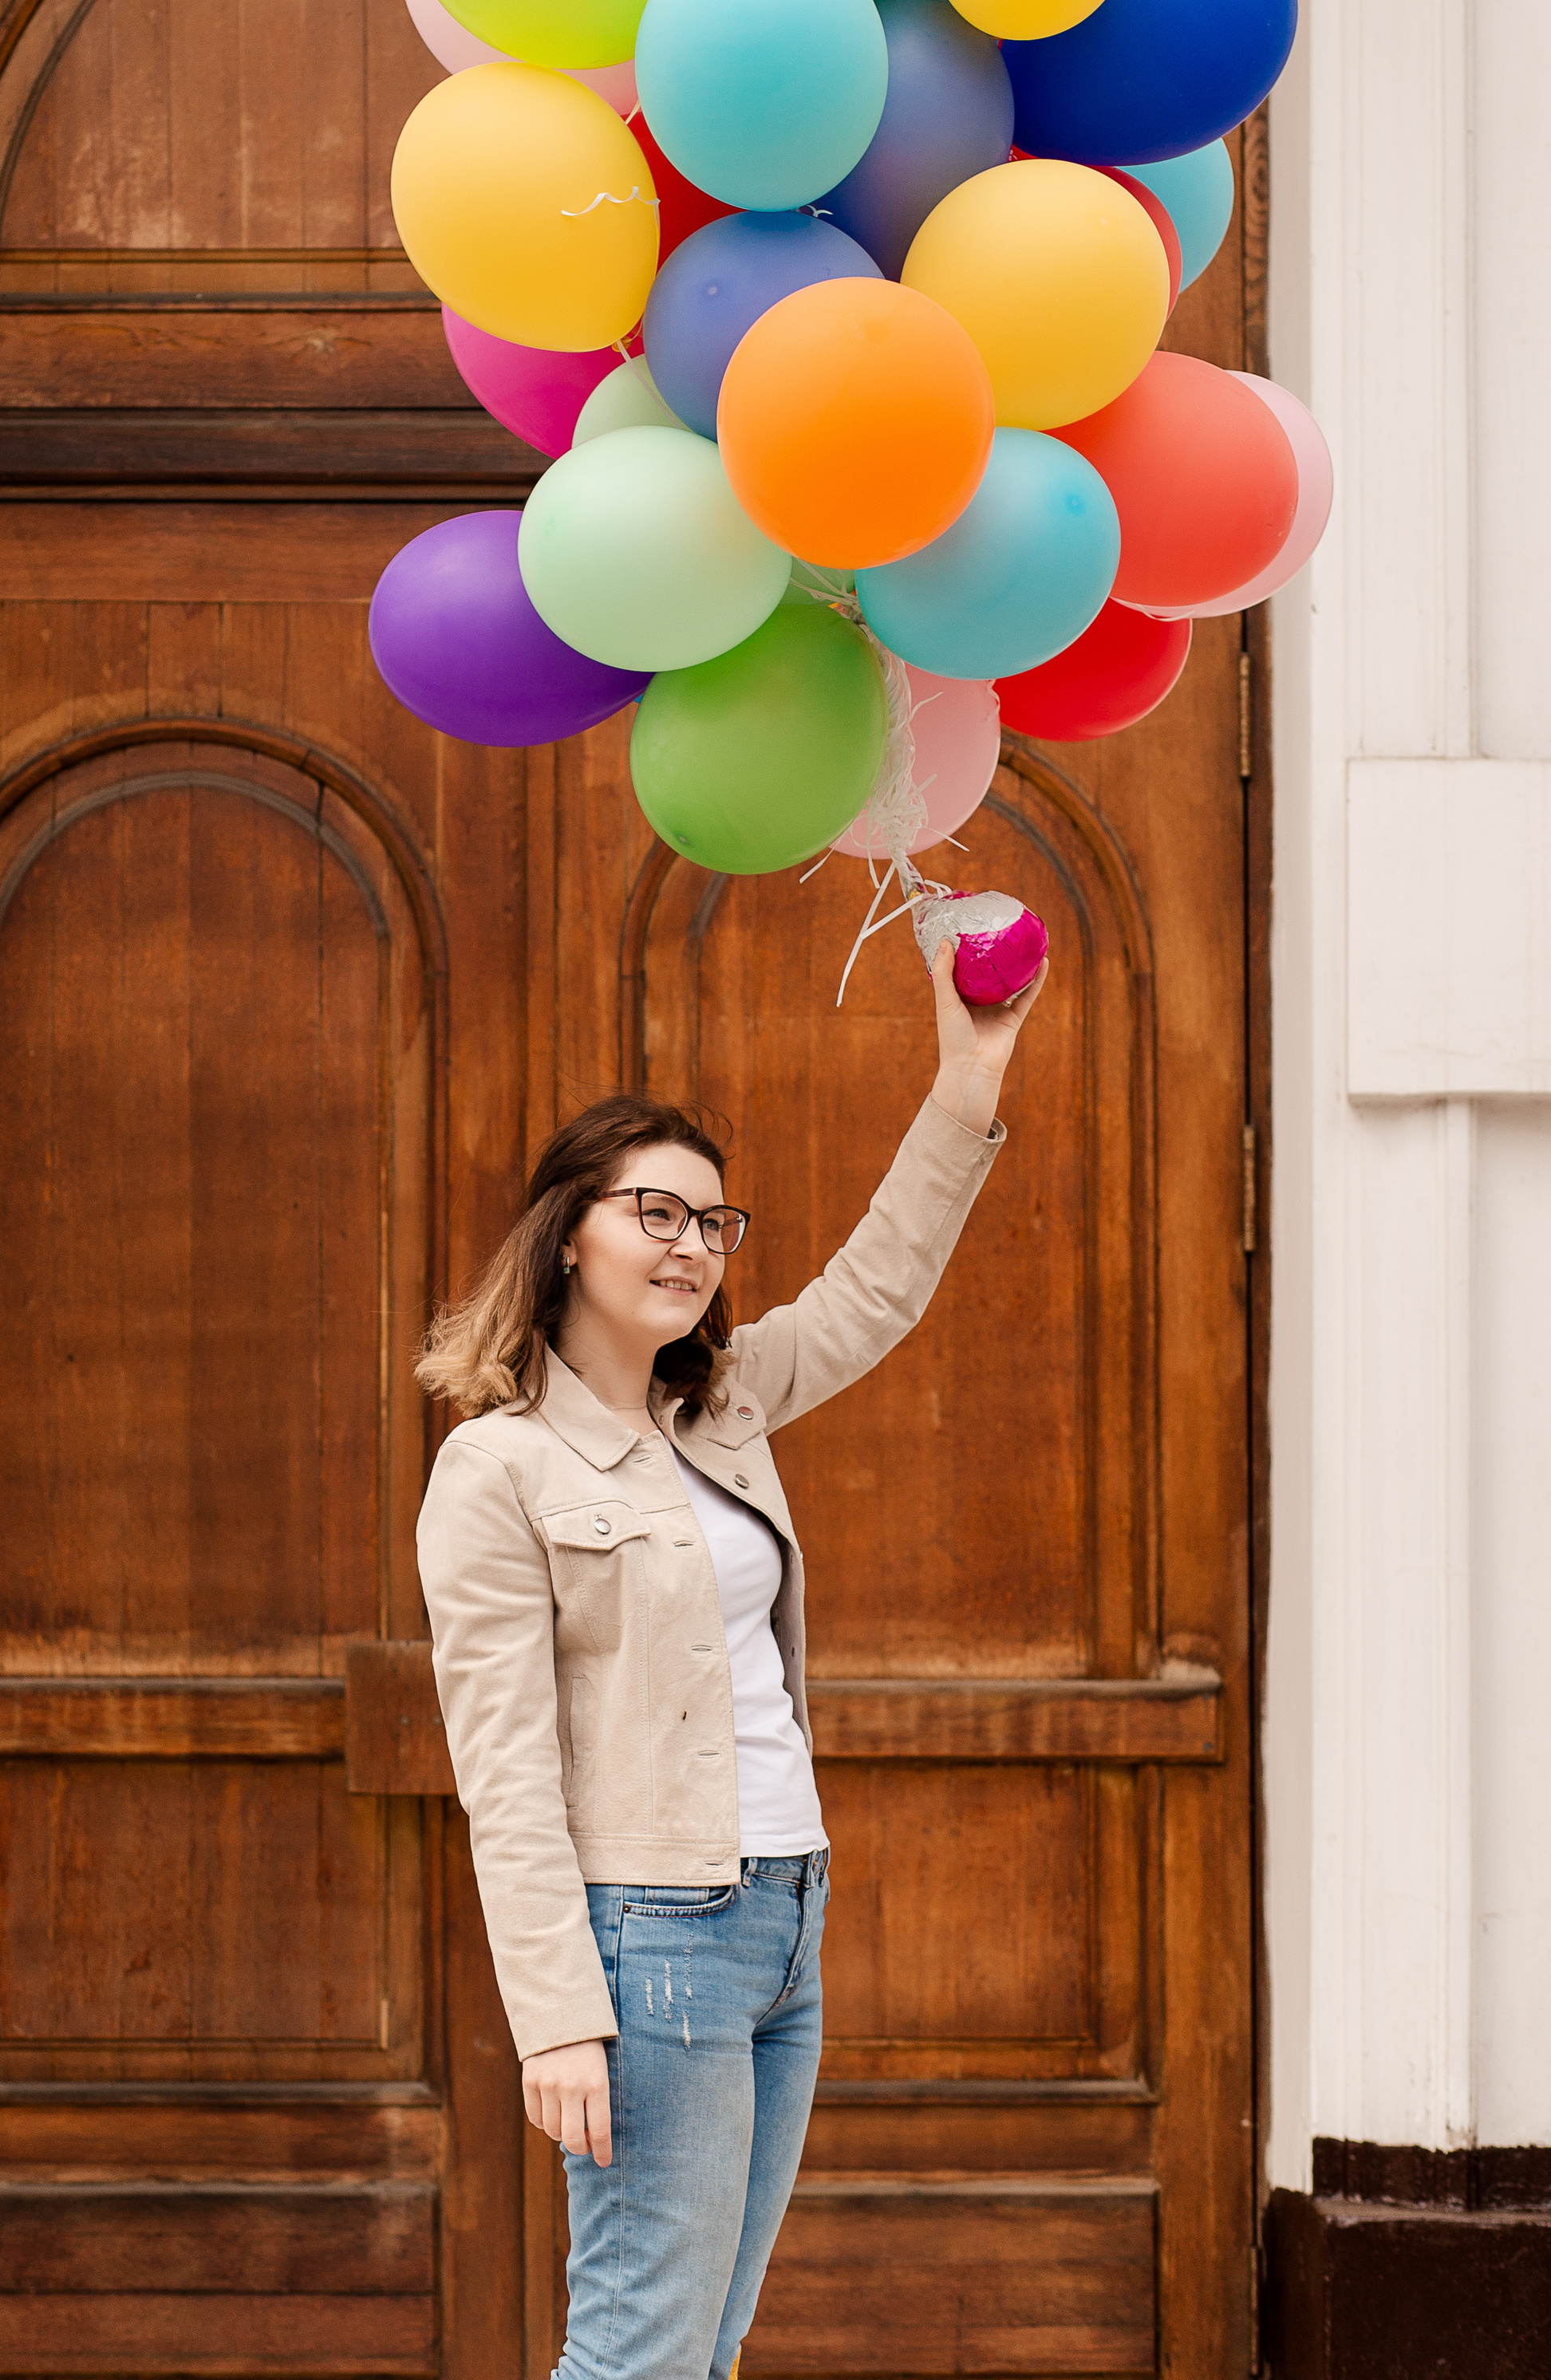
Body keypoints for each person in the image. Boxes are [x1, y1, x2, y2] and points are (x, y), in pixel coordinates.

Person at [413, 940, 1044, 2380]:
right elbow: (504, 1774)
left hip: (783, 1920)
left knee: (708, 2347)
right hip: (652, 1940)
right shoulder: (495, 1469)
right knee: (640, 2343)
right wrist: (560, 2021)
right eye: (657, 1213)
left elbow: (878, 1288)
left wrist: (970, 1073)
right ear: (570, 1232)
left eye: (715, 1221)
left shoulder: (726, 1409)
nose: (694, 1245)